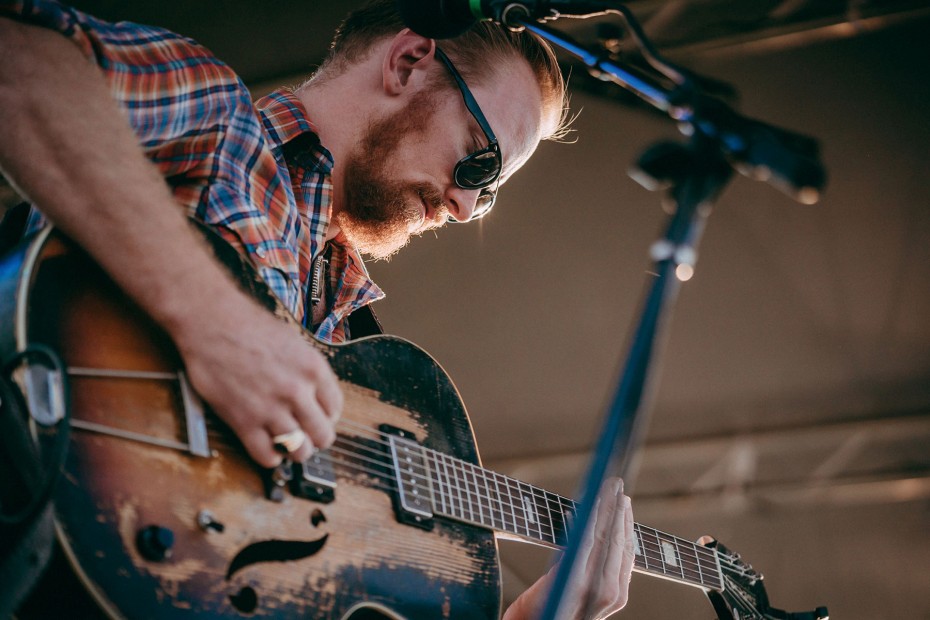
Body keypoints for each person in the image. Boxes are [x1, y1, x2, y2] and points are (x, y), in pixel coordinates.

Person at [0, 1, 635, 617]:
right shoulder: (222, 130)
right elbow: (19, 59)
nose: (466, 206)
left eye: (488, 193)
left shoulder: (349, 324)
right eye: (478, 160)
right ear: (409, 62)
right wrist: (211, 319)